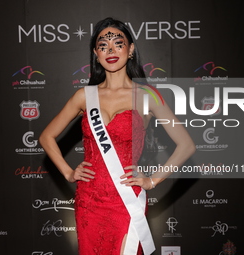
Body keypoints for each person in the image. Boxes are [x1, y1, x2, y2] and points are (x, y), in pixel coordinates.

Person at [39, 17, 195, 255]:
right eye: (103, 45)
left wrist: (152, 180)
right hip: (89, 201)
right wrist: (69, 172)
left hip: (126, 202)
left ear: (130, 48)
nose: (110, 50)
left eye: (117, 43)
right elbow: (46, 137)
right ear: (96, 53)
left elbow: (186, 145)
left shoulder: (147, 96)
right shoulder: (84, 96)